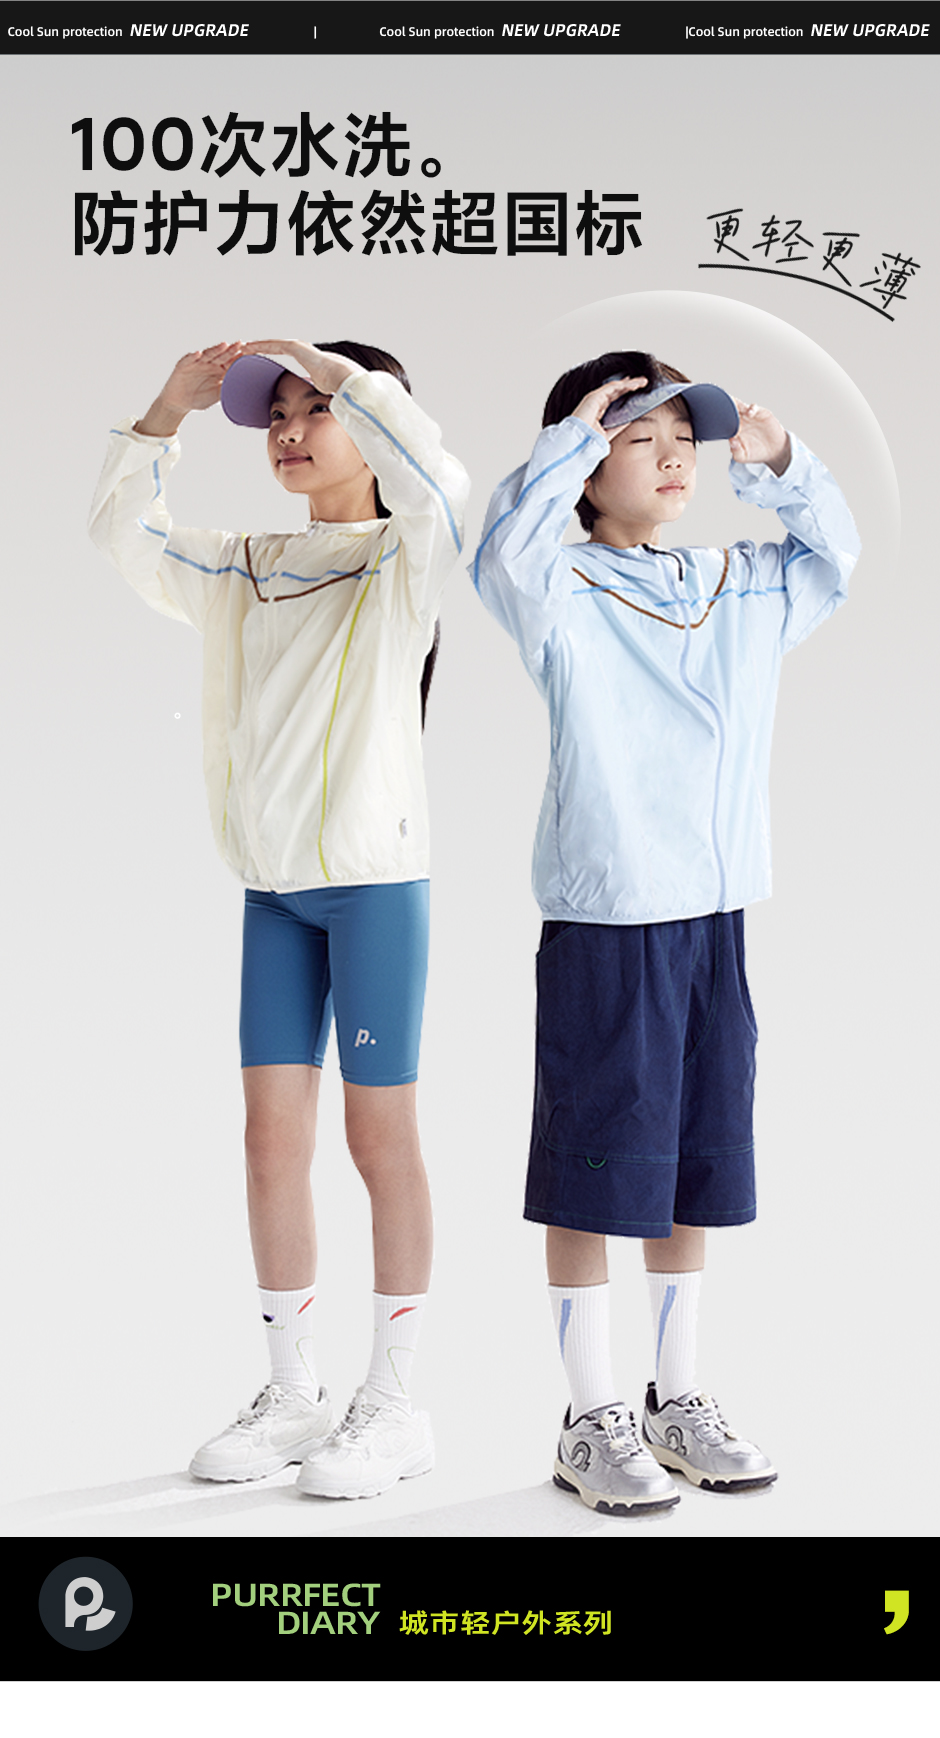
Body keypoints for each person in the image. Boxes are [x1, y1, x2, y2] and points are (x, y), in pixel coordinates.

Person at [471, 349, 859, 1514]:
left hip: (715, 917)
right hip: (608, 921)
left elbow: (833, 558)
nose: (674, 456)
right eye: (640, 439)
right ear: (588, 469)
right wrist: (568, 440)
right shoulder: (556, 585)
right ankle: (588, 1416)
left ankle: (673, 1398)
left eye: (683, 438)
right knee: (593, 1175)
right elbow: (499, 553)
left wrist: (778, 461)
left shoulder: (734, 580)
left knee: (695, 1164)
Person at [89, 337, 468, 1499]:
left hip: (373, 892)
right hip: (272, 896)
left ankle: (392, 1401)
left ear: (372, 418)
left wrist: (336, 366)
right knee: (268, 1140)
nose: (292, 431)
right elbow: (124, 534)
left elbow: (437, 477)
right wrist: (165, 411)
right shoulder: (244, 563)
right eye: (277, 415)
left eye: (317, 409)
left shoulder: (406, 555)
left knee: (377, 1139)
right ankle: (292, 1391)